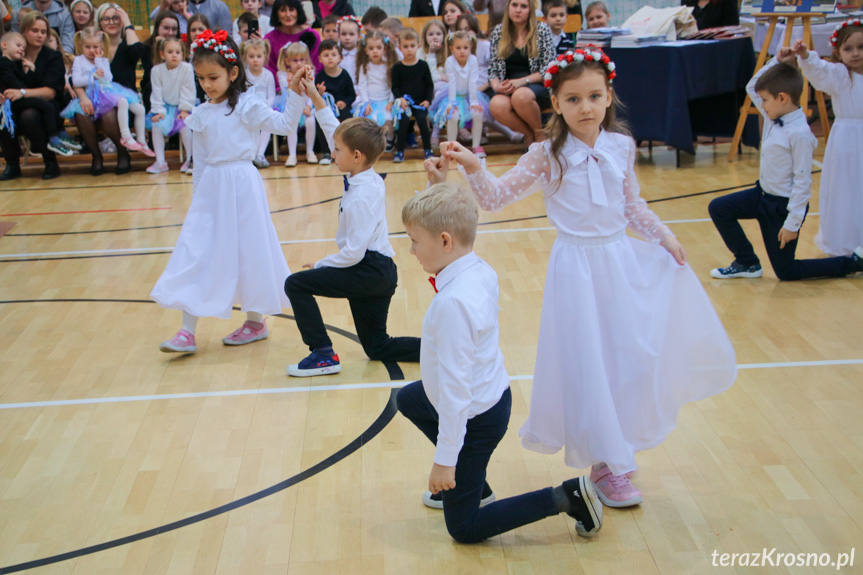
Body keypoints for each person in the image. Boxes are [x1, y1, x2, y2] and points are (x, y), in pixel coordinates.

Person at [438, 48, 737, 507]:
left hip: (620, 263)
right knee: (590, 362)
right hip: (576, 270)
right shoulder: (546, 155)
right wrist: (476, 168)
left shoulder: (621, 146)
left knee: (628, 355)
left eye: (595, 96)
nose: (586, 107)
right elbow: (496, 200)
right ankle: (604, 462)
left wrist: (664, 238)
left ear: (608, 96)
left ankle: (617, 444)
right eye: (573, 99)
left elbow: (632, 206)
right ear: (554, 102)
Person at [396, 181, 604, 542]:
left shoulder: (453, 305)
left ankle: (567, 496)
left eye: (415, 241)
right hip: (491, 394)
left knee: (464, 529)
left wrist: (445, 460)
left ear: (445, 241)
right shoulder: (476, 267)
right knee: (408, 399)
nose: (411, 250)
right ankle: (475, 486)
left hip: (476, 417)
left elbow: (457, 393)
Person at [152, 30, 294, 354]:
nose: (207, 84)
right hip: (213, 189)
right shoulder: (200, 114)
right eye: (201, 78)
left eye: (213, 77)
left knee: (250, 250)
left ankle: (256, 322)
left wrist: (297, 94)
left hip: (243, 184)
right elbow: (199, 161)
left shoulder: (247, 105)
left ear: (232, 73)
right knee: (198, 250)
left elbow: (285, 124)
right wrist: (198, 198)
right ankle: (187, 331)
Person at [282, 65, 421, 376]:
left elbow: (353, 253)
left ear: (356, 156)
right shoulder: (366, 174)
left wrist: (320, 265)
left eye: (337, 150)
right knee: (377, 347)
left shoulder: (360, 197)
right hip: (378, 271)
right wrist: (314, 94)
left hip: (368, 269)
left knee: (296, 284)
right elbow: (335, 128)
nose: (333, 152)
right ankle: (441, 350)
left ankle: (322, 354)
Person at [710, 53, 863, 280]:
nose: (760, 104)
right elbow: (753, 87)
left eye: (764, 100)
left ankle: (852, 263)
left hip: (781, 208)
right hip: (761, 195)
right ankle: (747, 262)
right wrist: (778, 62)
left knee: (786, 272)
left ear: (781, 98)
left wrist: (793, 224)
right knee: (719, 208)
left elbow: (803, 183)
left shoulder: (800, 134)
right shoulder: (774, 114)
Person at [796, 20, 863, 257]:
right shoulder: (840, 76)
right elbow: (818, 71)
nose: (855, 53)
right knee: (847, 188)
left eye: (861, 47)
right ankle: (846, 240)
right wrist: (806, 55)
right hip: (847, 140)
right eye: (848, 49)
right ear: (838, 52)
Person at [61, 26, 154, 158]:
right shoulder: (79, 60)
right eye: (88, 47)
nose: (92, 50)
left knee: (140, 109)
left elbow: (109, 78)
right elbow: (76, 81)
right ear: (81, 46)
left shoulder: (103, 60)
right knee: (122, 102)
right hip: (93, 95)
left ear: (101, 45)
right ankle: (126, 136)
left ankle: (142, 141)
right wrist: (93, 76)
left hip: (108, 90)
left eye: (95, 47)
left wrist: (99, 62)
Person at [0, 12, 69, 180]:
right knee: (2, 113)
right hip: (15, 103)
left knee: (29, 115)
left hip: (46, 106)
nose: (40, 35)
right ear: (24, 31)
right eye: (35, 30)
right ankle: (12, 164)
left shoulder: (53, 56)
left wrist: (22, 93)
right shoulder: (12, 53)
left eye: (43, 32)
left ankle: (50, 161)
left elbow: (50, 92)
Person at [487, 0, 554, 145]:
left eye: (523, 6)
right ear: (508, 8)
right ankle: (529, 135)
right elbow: (493, 70)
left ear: (530, 10)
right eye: (514, 5)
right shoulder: (498, 32)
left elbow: (548, 69)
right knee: (496, 104)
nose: (518, 10)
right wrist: (497, 85)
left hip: (537, 85)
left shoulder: (542, 30)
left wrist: (522, 81)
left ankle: (539, 135)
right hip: (509, 87)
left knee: (520, 96)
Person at [0, 31, 76, 157]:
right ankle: (54, 138)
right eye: (18, 45)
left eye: (23, 48)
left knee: (49, 105)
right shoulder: (4, 63)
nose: (21, 50)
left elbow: (25, 83)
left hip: (18, 98)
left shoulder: (17, 63)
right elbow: (12, 82)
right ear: (4, 45)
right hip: (10, 102)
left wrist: (31, 70)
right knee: (46, 106)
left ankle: (58, 136)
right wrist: (21, 89)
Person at [430, 30, 488, 156]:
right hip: (452, 96)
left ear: (471, 47)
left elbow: (473, 82)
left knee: (477, 113)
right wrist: (451, 103)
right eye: (458, 48)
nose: (462, 51)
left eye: (465, 48)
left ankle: (476, 146)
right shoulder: (450, 62)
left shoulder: (473, 60)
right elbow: (452, 83)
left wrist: (474, 102)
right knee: (452, 115)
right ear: (451, 48)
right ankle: (452, 146)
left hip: (469, 96)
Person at [145, 36, 195, 173]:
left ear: (183, 54)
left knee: (185, 125)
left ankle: (191, 159)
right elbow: (156, 92)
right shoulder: (156, 70)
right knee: (157, 126)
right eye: (170, 52)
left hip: (184, 105)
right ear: (162, 54)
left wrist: (184, 109)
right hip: (165, 107)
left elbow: (188, 89)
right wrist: (158, 110)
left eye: (178, 52)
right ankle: (160, 161)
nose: (174, 55)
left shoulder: (187, 68)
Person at [391, 27, 434, 163]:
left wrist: (427, 100)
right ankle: (399, 151)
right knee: (403, 122)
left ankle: (428, 149)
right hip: (405, 104)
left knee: (422, 120)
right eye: (405, 46)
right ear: (399, 48)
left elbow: (429, 85)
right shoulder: (397, 67)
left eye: (412, 46)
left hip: (420, 103)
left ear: (418, 46)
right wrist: (400, 99)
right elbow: (395, 87)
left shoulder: (423, 65)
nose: (409, 49)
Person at [314, 38, 355, 164]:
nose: (330, 58)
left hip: (342, 107)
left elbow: (352, 94)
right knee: (320, 122)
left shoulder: (345, 75)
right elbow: (315, 97)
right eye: (326, 55)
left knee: (348, 122)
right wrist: (319, 93)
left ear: (340, 57)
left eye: (333, 55)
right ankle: (326, 152)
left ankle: (348, 150)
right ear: (320, 59)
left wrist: (345, 102)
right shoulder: (319, 76)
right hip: (326, 108)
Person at [275, 41, 317, 165]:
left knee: (310, 121)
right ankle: (292, 154)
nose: (298, 63)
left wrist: (309, 106)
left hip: (306, 107)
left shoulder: (310, 73)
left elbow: (311, 92)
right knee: (291, 125)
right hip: (289, 107)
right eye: (294, 60)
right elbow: (285, 96)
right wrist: (289, 85)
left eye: (301, 59)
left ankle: (310, 151)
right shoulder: (282, 75)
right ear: (287, 61)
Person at [352, 29, 395, 151]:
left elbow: (393, 85)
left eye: (378, 47)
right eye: (371, 48)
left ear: (384, 49)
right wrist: (366, 103)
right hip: (370, 101)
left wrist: (391, 101)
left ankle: (390, 139)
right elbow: (362, 86)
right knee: (371, 120)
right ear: (366, 50)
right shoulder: (364, 67)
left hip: (386, 100)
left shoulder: (388, 65)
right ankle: (373, 143)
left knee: (388, 118)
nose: (375, 51)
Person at [240, 37, 276, 168]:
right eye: (251, 56)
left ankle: (260, 154)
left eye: (258, 56)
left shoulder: (268, 75)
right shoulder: (244, 75)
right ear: (245, 57)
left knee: (266, 126)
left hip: (265, 108)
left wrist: (265, 106)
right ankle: (250, 154)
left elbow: (271, 96)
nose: (255, 60)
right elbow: (242, 95)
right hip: (248, 109)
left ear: (264, 56)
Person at [265, 0, 321, 74]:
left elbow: (317, 66)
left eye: (291, 10)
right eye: (283, 10)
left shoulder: (313, 35)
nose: (288, 15)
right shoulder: (269, 39)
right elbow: (269, 69)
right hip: (280, 83)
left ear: (298, 11)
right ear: (276, 14)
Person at [336, 15, 361, 86]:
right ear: (338, 35)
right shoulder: (336, 53)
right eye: (343, 34)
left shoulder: (363, 54)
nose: (347, 38)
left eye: (351, 34)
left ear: (359, 36)